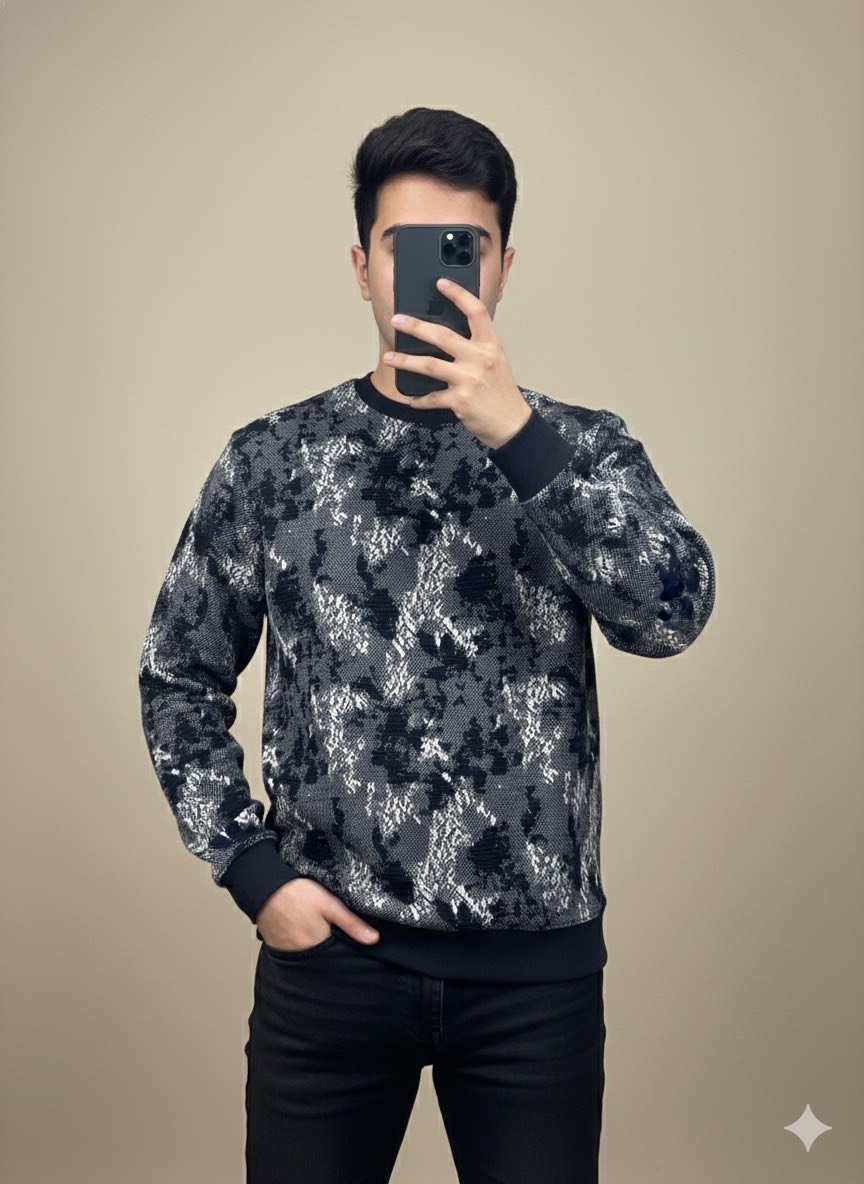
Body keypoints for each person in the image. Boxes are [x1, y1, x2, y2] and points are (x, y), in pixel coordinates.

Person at [138, 106, 716, 1184]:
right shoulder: (272, 460)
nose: (437, 277)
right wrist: (251, 871)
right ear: (363, 265)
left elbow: (671, 612)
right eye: (406, 248)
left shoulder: (582, 447)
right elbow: (178, 674)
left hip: (534, 983)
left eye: (465, 249)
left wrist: (518, 438)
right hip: (332, 971)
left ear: (504, 267)